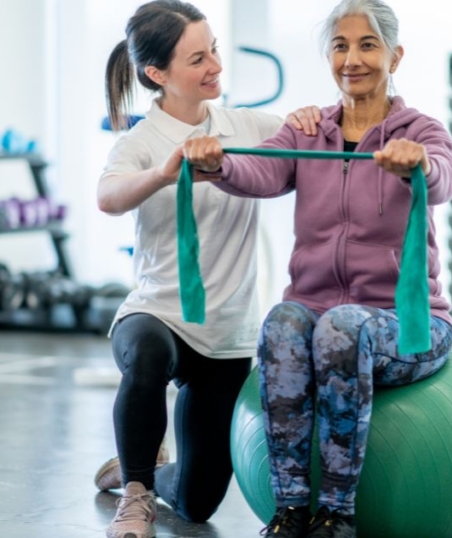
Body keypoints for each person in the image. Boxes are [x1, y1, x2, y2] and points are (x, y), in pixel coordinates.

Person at [182, 0, 452, 536]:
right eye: (340, 45)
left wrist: (418, 163)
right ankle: (289, 510)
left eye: (367, 44)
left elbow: (445, 177)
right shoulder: (307, 131)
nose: (352, 58)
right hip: (319, 317)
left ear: (395, 56)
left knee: (339, 329)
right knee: (285, 321)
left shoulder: (421, 131)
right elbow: (258, 168)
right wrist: (217, 163)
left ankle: (337, 515)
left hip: (407, 327)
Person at [94, 2, 319, 537]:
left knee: (197, 504)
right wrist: (162, 173)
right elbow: (107, 197)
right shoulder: (139, 142)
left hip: (226, 334)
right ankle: (135, 493)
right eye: (198, 58)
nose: (216, 64)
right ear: (158, 74)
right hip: (158, 314)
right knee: (146, 355)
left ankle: (137, 470)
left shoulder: (246, 126)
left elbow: (311, 140)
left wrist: (312, 119)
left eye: (214, 48)